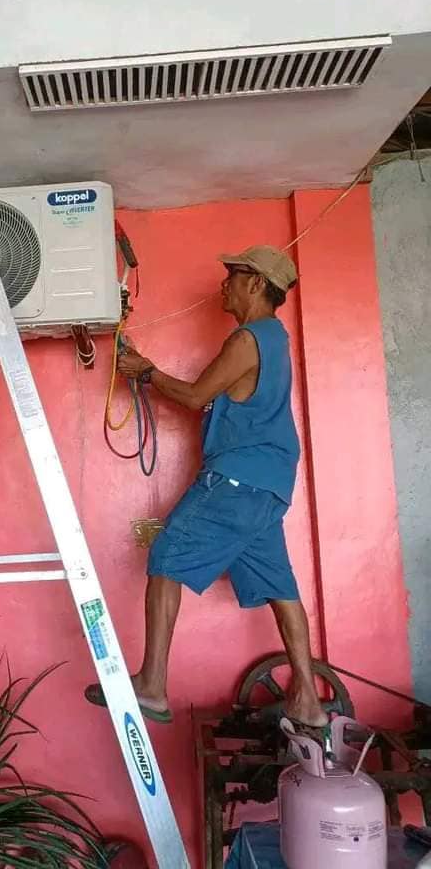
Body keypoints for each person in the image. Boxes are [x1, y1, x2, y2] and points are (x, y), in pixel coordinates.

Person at [85, 245, 328, 731]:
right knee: (280, 588)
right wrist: (148, 373)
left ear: (255, 284)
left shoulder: (249, 338)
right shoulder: (276, 340)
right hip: (269, 487)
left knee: (166, 555)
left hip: (237, 479)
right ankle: (307, 699)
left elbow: (197, 396)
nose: (224, 285)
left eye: (232, 277)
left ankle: (152, 685)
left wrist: (147, 372)